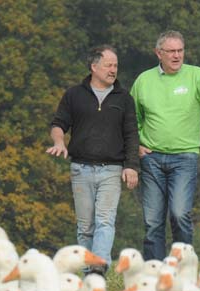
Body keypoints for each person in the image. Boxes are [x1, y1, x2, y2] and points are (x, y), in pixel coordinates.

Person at [130, 30, 200, 261]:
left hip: (184, 158)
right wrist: (136, 145)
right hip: (151, 158)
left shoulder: (195, 75)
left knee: (179, 214)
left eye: (180, 51)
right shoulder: (143, 81)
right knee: (153, 220)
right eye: (171, 51)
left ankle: (183, 266)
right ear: (159, 53)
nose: (177, 56)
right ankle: (154, 271)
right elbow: (131, 117)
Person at [47, 45, 139, 275]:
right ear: (94, 67)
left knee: (105, 220)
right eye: (108, 65)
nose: (113, 70)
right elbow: (58, 125)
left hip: (111, 169)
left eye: (116, 65)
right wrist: (59, 143)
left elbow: (131, 134)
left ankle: (98, 266)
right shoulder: (74, 95)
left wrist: (131, 167)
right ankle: (88, 269)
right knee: (85, 226)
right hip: (81, 169)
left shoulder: (124, 98)